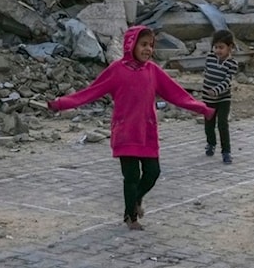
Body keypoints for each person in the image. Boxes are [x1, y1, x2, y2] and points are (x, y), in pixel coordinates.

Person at [48, 25, 214, 230]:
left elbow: (176, 94)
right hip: (125, 132)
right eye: (143, 44)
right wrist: (61, 103)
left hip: (147, 132)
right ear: (131, 44)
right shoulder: (117, 70)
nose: (147, 49)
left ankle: (136, 200)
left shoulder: (152, 71)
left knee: (152, 173)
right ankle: (130, 217)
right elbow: (90, 92)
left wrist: (202, 108)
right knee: (132, 176)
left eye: (151, 46)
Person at [201, 29, 240, 164]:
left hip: (223, 99)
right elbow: (207, 74)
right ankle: (211, 143)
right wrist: (206, 91)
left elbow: (227, 81)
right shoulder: (210, 58)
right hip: (208, 99)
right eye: (216, 47)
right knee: (209, 124)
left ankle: (226, 152)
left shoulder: (232, 64)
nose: (218, 50)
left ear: (230, 47)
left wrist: (216, 90)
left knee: (222, 124)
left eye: (221, 47)